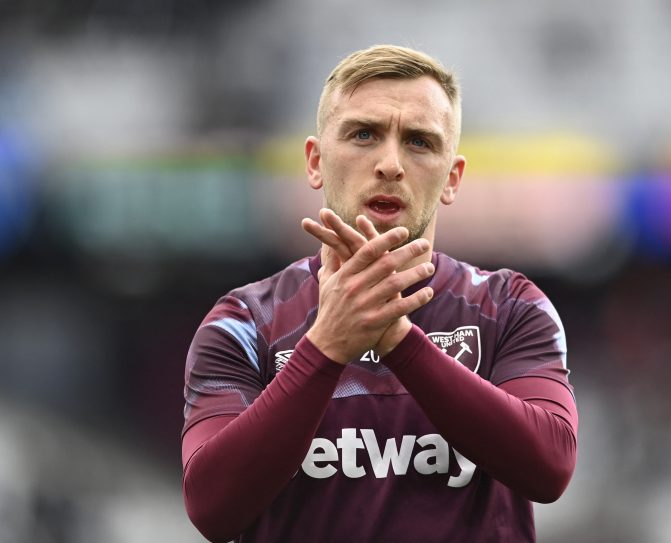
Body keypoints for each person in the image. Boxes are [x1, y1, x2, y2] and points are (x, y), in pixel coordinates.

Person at [181, 44, 578, 543]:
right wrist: (325, 348)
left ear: (452, 178)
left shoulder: (510, 307)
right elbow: (211, 507)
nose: (390, 164)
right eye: (364, 134)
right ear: (315, 161)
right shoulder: (244, 322)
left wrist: (399, 340)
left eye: (419, 142)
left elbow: (550, 467)